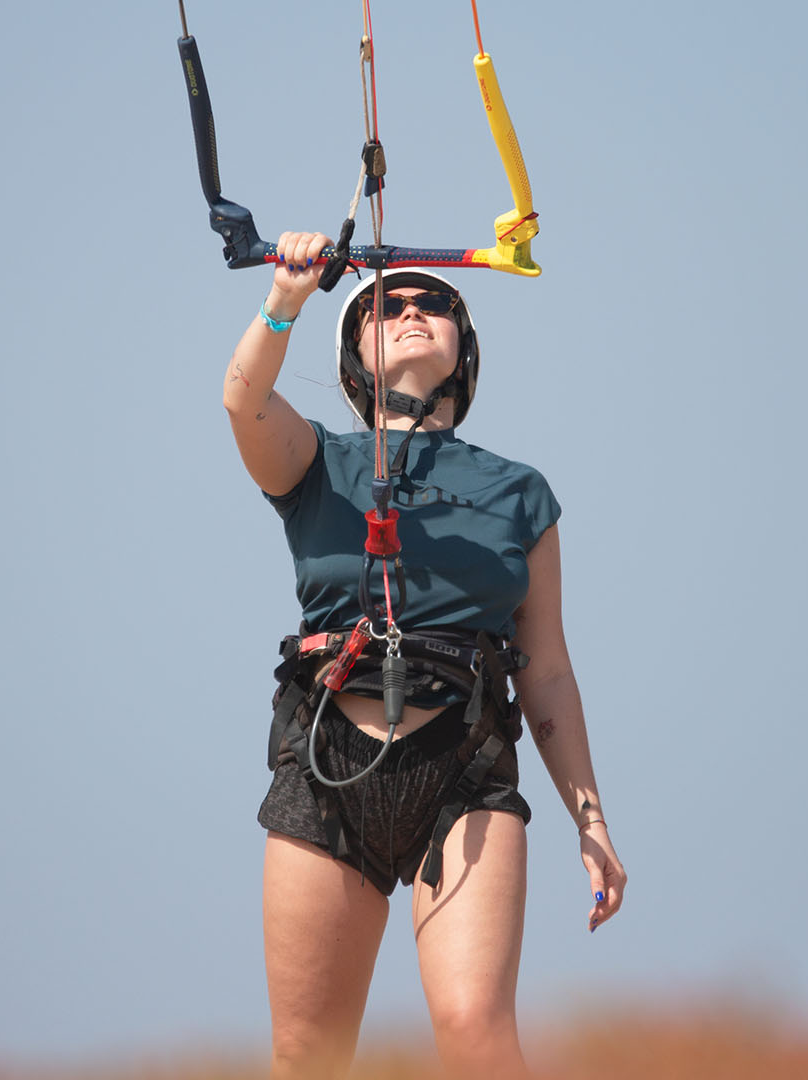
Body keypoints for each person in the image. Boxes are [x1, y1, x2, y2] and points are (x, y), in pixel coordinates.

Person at [226, 231, 629, 1080]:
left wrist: (590, 820)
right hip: (326, 762)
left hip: (467, 766)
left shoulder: (521, 494)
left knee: (477, 1033)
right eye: (385, 305)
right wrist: (285, 299)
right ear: (353, 355)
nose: (412, 312)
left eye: (434, 303)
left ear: (463, 346)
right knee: (307, 1056)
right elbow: (242, 398)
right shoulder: (315, 462)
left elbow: (547, 668)